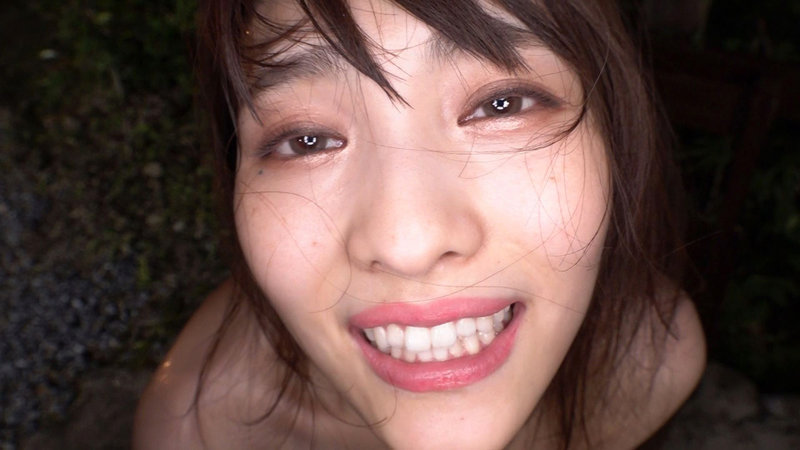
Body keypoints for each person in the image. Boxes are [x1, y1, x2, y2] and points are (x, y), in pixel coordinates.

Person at [134, 0, 706, 448]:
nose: (408, 243)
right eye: (306, 140)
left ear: (613, 136)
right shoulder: (199, 429)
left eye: (502, 104)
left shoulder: (651, 366)